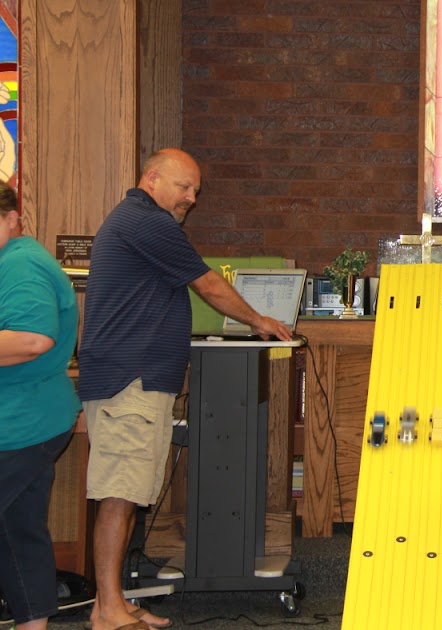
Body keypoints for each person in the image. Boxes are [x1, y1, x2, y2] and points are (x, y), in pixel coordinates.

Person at [79, 148, 292, 630]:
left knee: (129, 493)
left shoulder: (143, 222)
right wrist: (259, 321)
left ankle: (113, 602)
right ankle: (107, 609)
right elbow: (208, 285)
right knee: (117, 495)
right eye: (184, 187)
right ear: (152, 179)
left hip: (137, 380)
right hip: (125, 382)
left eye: (196, 191)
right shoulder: (145, 221)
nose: (191, 198)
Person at [0, 183, 79, 630]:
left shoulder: (21, 263)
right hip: (32, 420)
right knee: (18, 532)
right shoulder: (11, 260)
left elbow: (33, 339)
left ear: (14, 217)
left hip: (19, 424)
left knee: (18, 531)